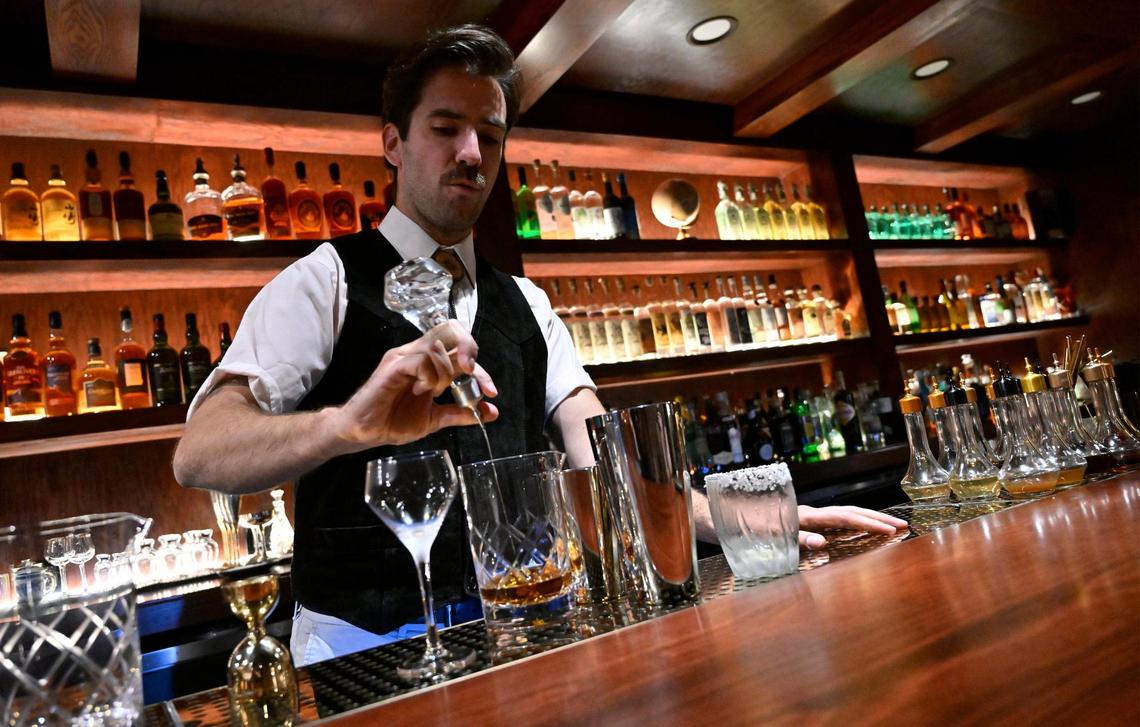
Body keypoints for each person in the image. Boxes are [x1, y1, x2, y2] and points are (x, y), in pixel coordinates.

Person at [173, 24, 905, 666]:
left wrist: (756, 521)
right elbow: (201, 452)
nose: (471, 152)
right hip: (362, 652)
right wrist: (344, 424)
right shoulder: (325, 281)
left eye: (489, 135)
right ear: (392, 142)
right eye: (445, 126)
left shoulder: (526, 303)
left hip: (522, 635)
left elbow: (603, 460)